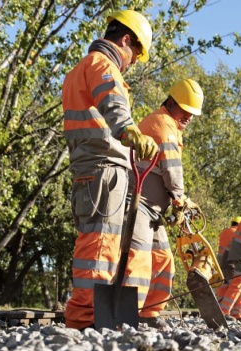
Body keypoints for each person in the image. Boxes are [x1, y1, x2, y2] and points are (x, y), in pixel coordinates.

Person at [62, 9, 159, 329]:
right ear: (126, 39)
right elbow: (112, 101)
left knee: (98, 242)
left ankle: (87, 315)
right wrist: (129, 130)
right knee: (99, 246)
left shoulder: (78, 69)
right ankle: (85, 319)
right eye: (136, 53)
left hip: (92, 167)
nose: (132, 61)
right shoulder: (102, 65)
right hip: (103, 168)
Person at [123, 78, 203, 328]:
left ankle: (149, 313)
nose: (189, 117)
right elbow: (171, 169)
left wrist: (179, 200)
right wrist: (179, 198)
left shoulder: (170, 125)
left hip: (153, 211)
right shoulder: (163, 125)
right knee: (139, 259)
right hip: (138, 204)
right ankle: (128, 316)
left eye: (193, 113)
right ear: (171, 102)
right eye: (186, 110)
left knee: (164, 260)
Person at [216, 216, 241, 319]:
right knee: (236, 287)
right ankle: (237, 313)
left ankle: (219, 310)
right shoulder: (238, 233)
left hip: (219, 263)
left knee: (223, 287)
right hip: (231, 264)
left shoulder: (224, 232)